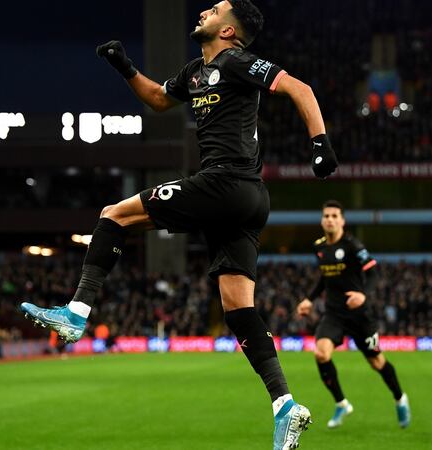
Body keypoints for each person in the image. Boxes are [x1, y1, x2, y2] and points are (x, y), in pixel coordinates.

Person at [20, 1, 338, 448]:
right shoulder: (194, 70)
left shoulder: (240, 61)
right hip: (248, 201)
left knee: (113, 215)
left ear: (229, 31)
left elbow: (300, 89)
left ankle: (76, 313)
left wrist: (320, 145)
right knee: (238, 310)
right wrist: (125, 66)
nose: (205, 11)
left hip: (225, 182)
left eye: (215, 10)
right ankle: (285, 404)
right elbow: (157, 100)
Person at [296, 200, 411, 429]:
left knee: (377, 362)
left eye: (334, 216)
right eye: (326, 215)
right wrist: (310, 298)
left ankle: (400, 398)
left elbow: (374, 272)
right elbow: (324, 278)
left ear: (342, 221)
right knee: (321, 353)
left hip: (359, 315)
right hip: (334, 314)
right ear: (322, 220)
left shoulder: (353, 246)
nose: (330, 219)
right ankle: (341, 403)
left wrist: (363, 295)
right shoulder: (319, 247)